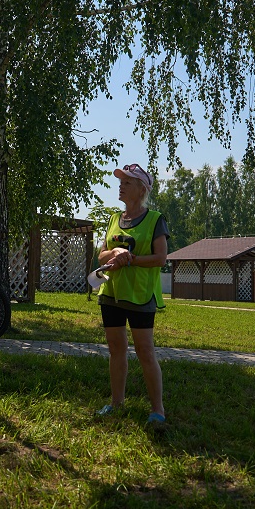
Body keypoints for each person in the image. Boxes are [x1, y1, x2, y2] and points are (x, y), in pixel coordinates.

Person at [94, 163, 169, 424]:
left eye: (127, 182)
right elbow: (101, 255)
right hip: (111, 292)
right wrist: (115, 253)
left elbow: (161, 258)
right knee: (116, 349)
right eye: (121, 181)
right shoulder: (114, 219)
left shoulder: (155, 219)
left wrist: (131, 259)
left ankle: (157, 410)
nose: (121, 185)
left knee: (145, 350)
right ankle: (116, 404)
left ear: (142, 189)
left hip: (140, 295)